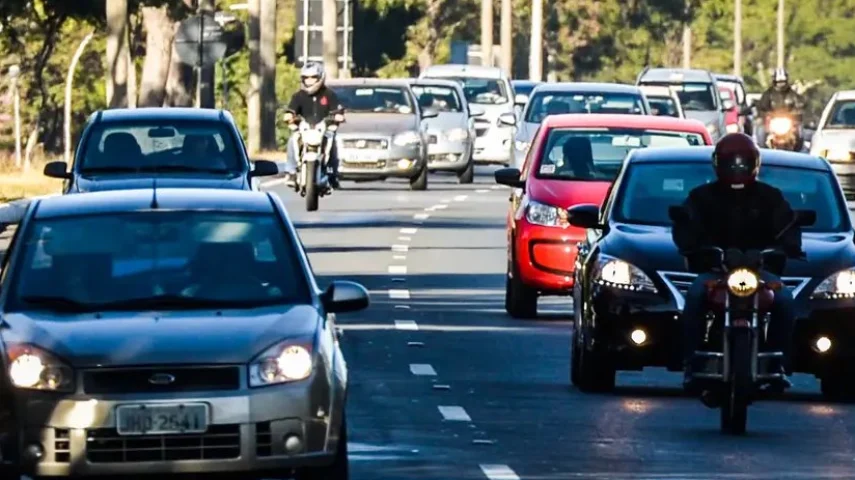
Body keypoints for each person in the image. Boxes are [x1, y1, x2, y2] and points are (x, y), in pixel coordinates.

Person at [671, 133, 802, 394]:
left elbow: (788, 227)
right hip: (716, 270)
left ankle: (779, 364)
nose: (738, 168)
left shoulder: (771, 197)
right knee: (695, 297)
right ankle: (691, 360)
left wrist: (783, 248)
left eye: (744, 163)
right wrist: (703, 250)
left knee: (785, 301)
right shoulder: (701, 197)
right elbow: (685, 227)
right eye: (731, 162)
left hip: (759, 271)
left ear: (755, 164)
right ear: (718, 163)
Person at [282, 62, 345, 188]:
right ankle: (291, 172)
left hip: (324, 129)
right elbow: (291, 110)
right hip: (304, 129)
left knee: (332, 144)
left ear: (320, 77)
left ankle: (332, 174)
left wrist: (338, 116)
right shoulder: (298, 96)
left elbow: (337, 110)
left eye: (313, 77)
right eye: (306, 78)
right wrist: (289, 116)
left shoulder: (329, 94)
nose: (309, 81)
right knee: (292, 140)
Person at [755, 68, 805, 146]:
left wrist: (798, 109)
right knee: (760, 129)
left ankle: (798, 146)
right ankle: (761, 147)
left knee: (800, 130)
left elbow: (800, 103)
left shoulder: (792, 94)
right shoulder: (768, 94)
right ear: (774, 82)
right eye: (779, 82)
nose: (781, 84)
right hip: (773, 120)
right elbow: (762, 105)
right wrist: (763, 113)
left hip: (789, 120)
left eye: (783, 82)